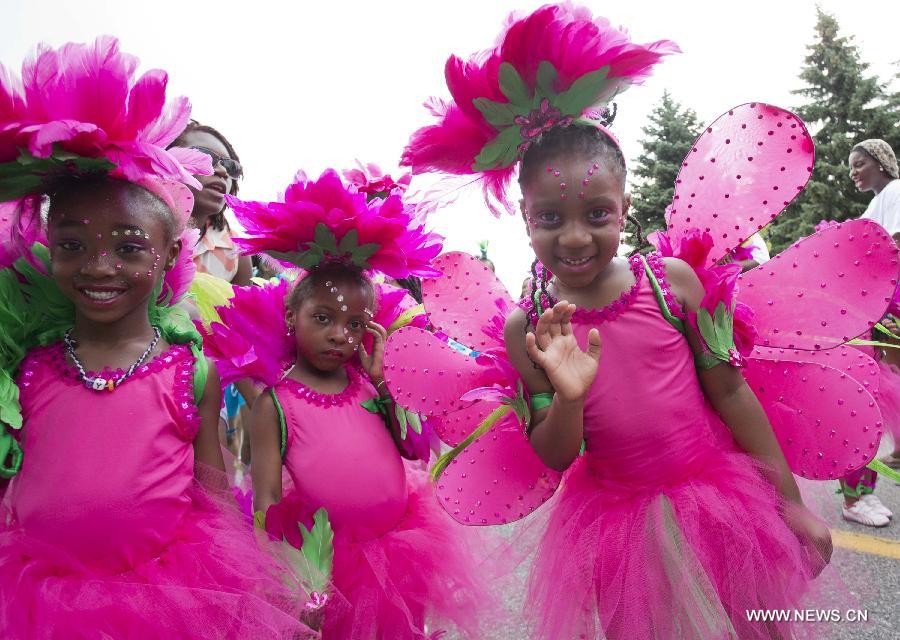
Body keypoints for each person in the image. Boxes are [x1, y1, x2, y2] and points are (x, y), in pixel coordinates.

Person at [403, 5, 834, 638]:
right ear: (525, 217)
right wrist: (569, 397)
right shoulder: (531, 330)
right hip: (617, 520)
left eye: (596, 214)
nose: (574, 237)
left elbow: (731, 389)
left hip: (718, 494)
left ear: (625, 207)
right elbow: (553, 453)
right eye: (550, 218)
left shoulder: (672, 284)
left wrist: (790, 505)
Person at [0, 37, 316, 638]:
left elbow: (215, 495)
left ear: (172, 252)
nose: (98, 267)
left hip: (165, 599)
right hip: (36, 605)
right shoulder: (26, 369)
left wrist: (251, 589)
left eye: (128, 246)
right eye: (73, 245)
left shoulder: (189, 371)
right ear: (47, 247)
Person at [209, 169, 488, 638]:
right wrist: (294, 582)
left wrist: (385, 385)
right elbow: (268, 500)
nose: (340, 334)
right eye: (323, 318)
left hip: (400, 546)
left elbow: (415, 450)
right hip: (334, 566)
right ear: (291, 318)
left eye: (356, 323)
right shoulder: (274, 404)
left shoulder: (367, 386)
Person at [172, 120, 257, 462]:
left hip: (223, 393)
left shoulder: (236, 249)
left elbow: (250, 322)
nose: (221, 171)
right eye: (206, 157)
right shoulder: (133, 233)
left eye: (230, 166)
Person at [837, 139, 900, 525]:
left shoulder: (895, 191)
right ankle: (856, 495)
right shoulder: (880, 200)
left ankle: (859, 493)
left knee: (872, 396)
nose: (854, 172)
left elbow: (892, 248)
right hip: (872, 311)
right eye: (850, 167)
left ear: (880, 161)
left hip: (881, 309)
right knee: (867, 396)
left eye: (859, 163)